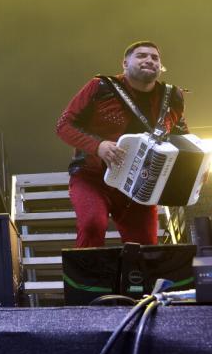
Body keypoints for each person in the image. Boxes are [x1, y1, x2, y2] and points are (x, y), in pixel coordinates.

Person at [55, 41, 188, 248]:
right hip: (92, 177)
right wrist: (98, 146)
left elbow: (181, 136)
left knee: (144, 246)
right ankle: (89, 280)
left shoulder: (172, 96)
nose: (149, 60)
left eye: (155, 57)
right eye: (141, 55)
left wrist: (194, 168)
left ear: (160, 66)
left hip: (140, 183)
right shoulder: (99, 87)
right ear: (125, 63)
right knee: (92, 224)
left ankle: (135, 281)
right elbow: (64, 125)